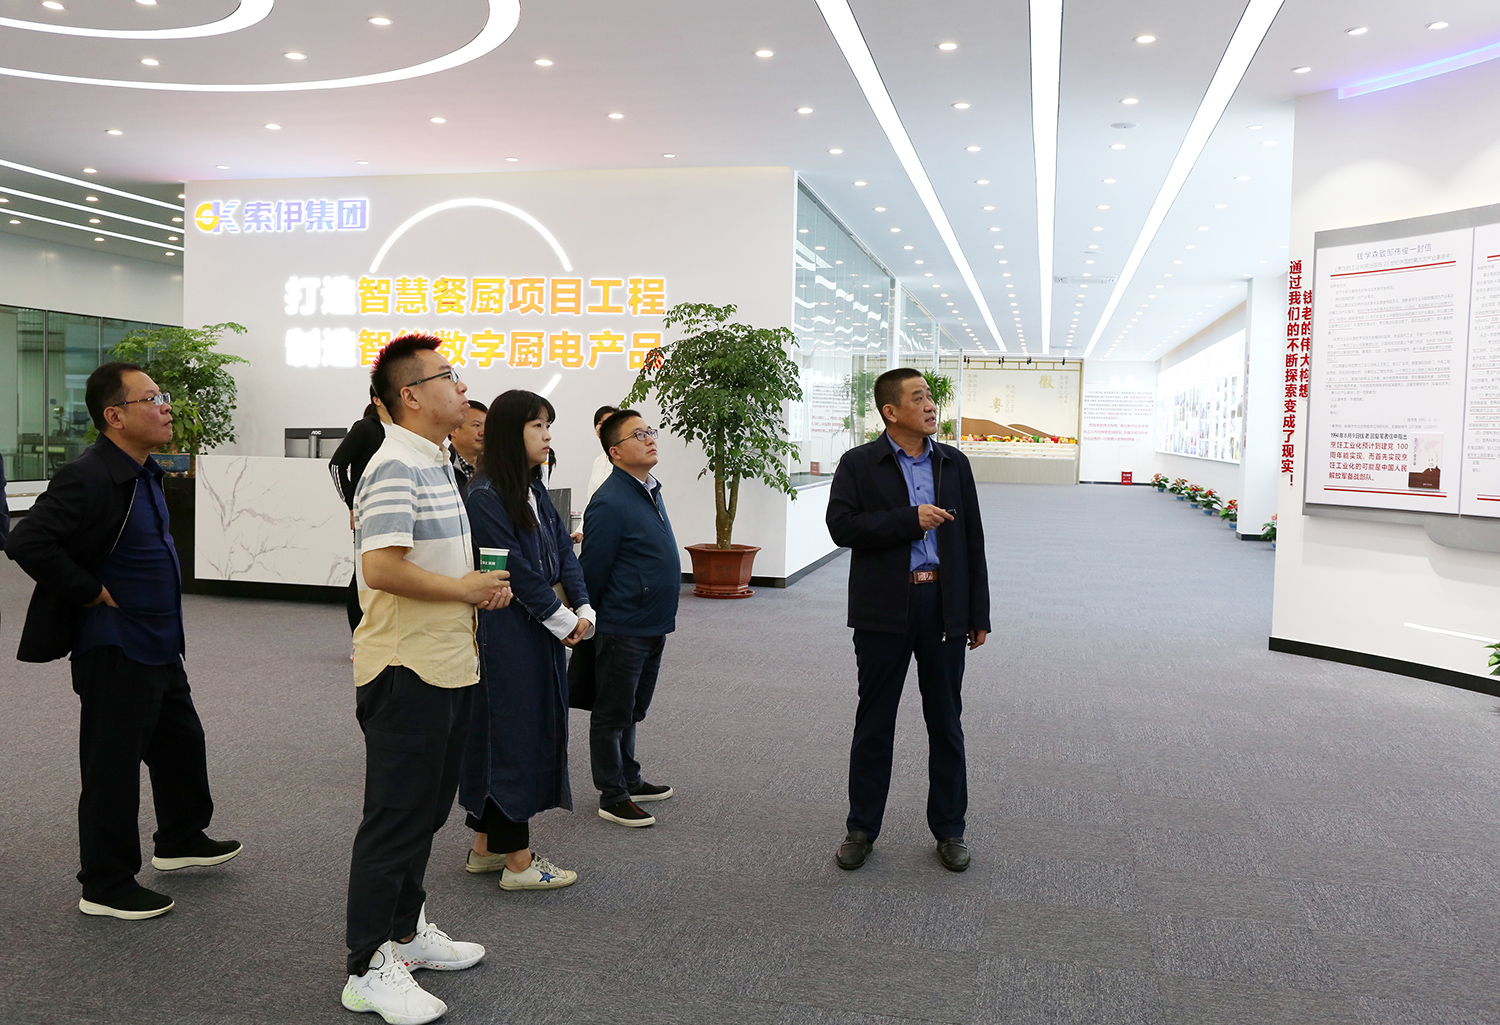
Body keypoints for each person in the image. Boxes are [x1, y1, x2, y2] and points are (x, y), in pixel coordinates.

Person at [6, 362, 240, 920]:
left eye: (163, 396)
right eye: (151, 398)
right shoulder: (88, 474)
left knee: (181, 744)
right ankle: (106, 884)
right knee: (112, 767)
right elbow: (27, 540)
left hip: (159, 638)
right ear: (115, 415)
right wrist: (87, 590)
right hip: (115, 644)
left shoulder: (144, 471)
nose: (166, 406)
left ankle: (180, 838)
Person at [342, 334, 512, 1025]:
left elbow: (429, 564)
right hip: (405, 668)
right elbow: (380, 567)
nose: (462, 386)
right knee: (396, 817)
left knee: (427, 811)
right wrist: (461, 588)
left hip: (446, 663)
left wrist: (474, 588)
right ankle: (365, 967)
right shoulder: (393, 464)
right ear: (410, 395)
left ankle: (405, 932)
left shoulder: (437, 460)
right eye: (449, 376)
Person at [825, 367, 990, 874]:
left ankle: (950, 830)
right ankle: (861, 829)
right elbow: (841, 527)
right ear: (890, 411)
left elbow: (973, 539)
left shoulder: (953, 463)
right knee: (874, 722)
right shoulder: (859, 463)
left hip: (944, 606)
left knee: (946, 721)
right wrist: (908, 519)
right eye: (918, 398)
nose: (930, 405)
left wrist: (978, 612)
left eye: (931, 397)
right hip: (883, 608)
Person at [460, 390, 594, 890]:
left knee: (522, 730)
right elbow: (512, 568)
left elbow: (563, 552)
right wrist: (563, 619)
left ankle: (485, 847)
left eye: (548, 425)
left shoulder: (532, 486)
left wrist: (583, 608)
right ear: (509, 432)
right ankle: (517, 862)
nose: (547, 435)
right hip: (506, 633)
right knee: (510, 736)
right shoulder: (485, 494)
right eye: (537, 425)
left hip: (538, 629)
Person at [574, 409, 679, 827]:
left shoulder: (648, 488)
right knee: (612, 713)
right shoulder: (609, 501)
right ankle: (612, 794)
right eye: (638, 435)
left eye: (650, 431)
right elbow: (593, 570)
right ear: (615, 452)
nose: (650, 438)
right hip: (623, 625)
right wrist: (594, 620)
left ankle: (630, 778)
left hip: (651, 620)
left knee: (632, 708)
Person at [330, 391, 390, 632]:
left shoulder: (401, 429)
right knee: (362, 575)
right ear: (377, 400)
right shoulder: (365, 428)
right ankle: (358, 634)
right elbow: (336, 465)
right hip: (367, 514)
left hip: (394, 511)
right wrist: (352, 504)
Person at [571, 404, 619, 543]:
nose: (604, 426)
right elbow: (592, 499)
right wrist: (581, 529)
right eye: (600, 423)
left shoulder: (626, 458)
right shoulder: (599, 461)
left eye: (609, 422)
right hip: (598, 529)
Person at [448, 399, 487, 498]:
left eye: (487, 426)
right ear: (453, 429)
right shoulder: (443, 467)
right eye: (477, 425)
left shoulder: (492, 466)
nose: (483, 432)